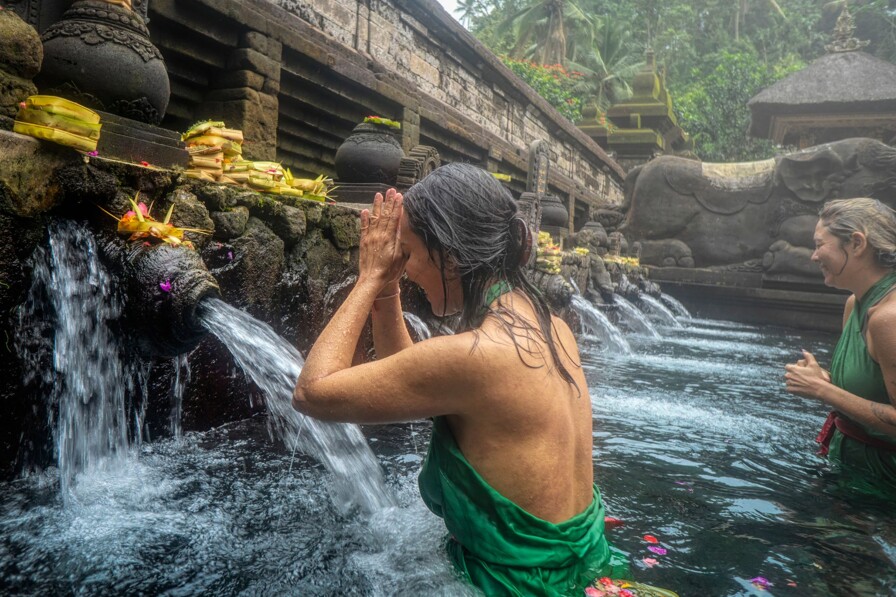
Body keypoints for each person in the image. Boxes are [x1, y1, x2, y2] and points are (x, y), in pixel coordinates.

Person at [293, 164, 621, 595]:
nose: (404, 269)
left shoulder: (477, 355)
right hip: (588, 567)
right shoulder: (553, 328)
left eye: (408, 254)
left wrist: (369, 278)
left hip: (517, 586)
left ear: (450, 256)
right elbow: (418, 378)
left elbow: (312, 392)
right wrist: (388, 292)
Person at [785, 198, 896, 493]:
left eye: (820, 244)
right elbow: (872, 391)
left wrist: (823, 390)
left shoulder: (889, 318)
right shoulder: (855, 304)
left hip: (883, 486)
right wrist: (826, 380)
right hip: (851, 470)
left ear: (857, 244)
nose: (813, 256)